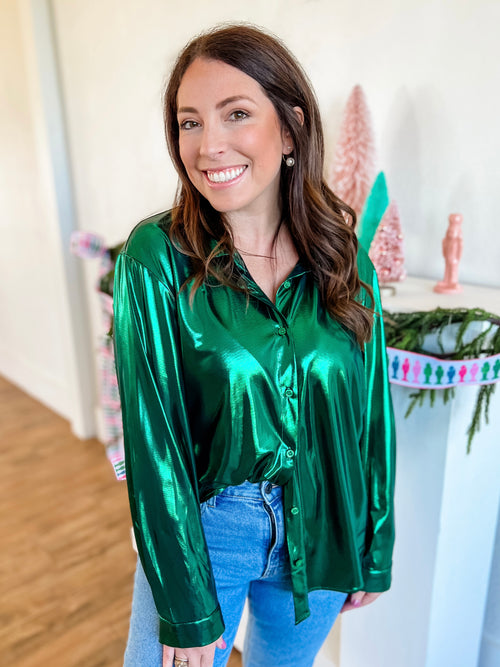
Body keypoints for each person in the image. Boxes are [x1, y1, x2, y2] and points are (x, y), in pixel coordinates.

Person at [113, 24, 396, 667]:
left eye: (235, 113)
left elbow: (371, 415)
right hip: (208, 531)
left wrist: (372, 546)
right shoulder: (156, 258)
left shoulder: (344, 259)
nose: (208, 145)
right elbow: (154, 441)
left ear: (291, 130)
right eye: (189, 123)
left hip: (325, 521)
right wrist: (185, 607)